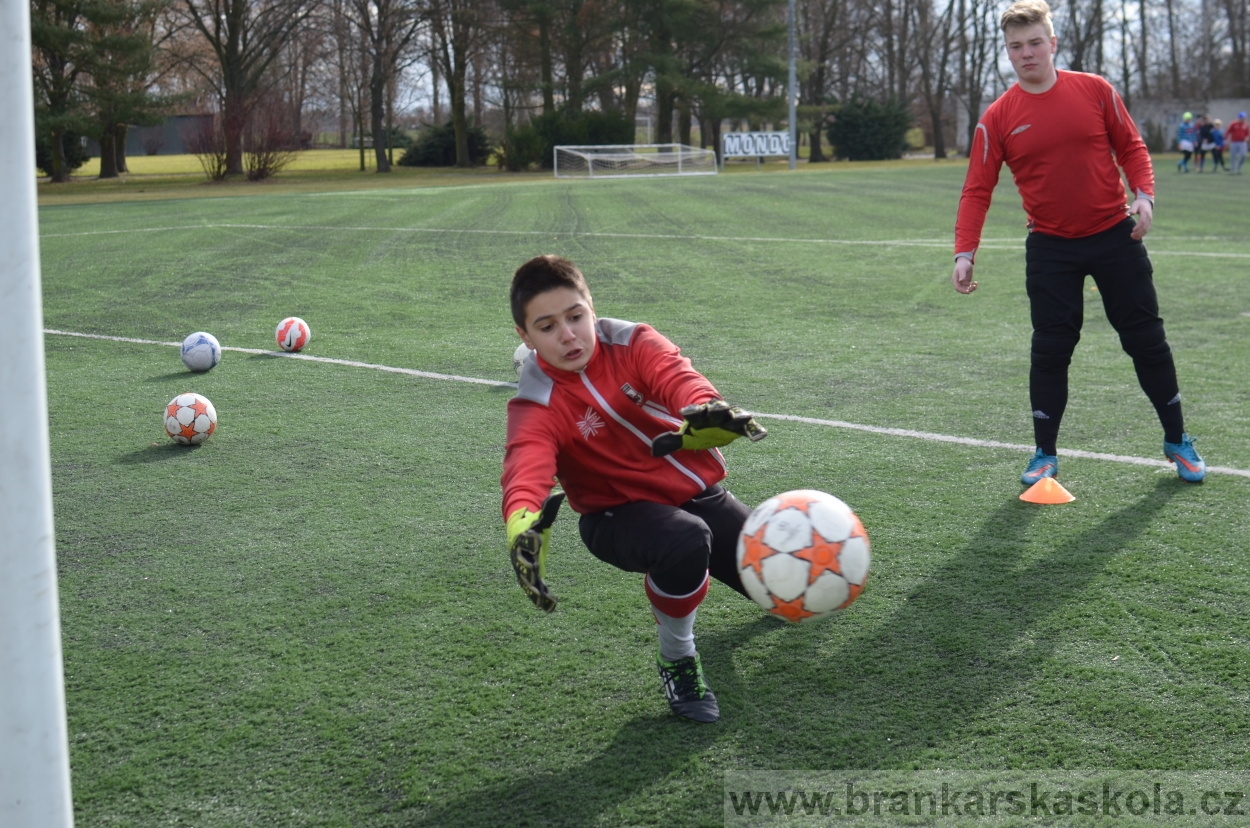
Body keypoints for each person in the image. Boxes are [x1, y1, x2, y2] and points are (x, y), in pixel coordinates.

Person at [502, 254, 768, 723]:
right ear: (525, 337)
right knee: (685, 540)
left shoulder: (633, 341)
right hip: (615, 516)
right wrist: (521, 523)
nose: (568, 335)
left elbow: (678, 378)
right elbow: (526, 467)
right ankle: (678, 657)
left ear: (591, 307)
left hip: (696, 496)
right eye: (547, 326)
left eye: (575, 317)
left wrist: (706, 409)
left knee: (787, 589)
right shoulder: (535, 403)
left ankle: (730, 585)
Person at [951, 0, 1206, 486]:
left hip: (1115, 235)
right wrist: (965, 252)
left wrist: (1144, 195)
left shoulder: (1095, 90)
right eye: (1016, 47)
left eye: (1034, 43)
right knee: (1050, 350)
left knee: (1147, 341)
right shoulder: (998, 117)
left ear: (1053, 43)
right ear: (1008, 52)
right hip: (1050, 247)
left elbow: (1131, 146)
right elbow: (976, 189)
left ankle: (1178, 440)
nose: (1026, 53)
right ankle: (1044, 454)